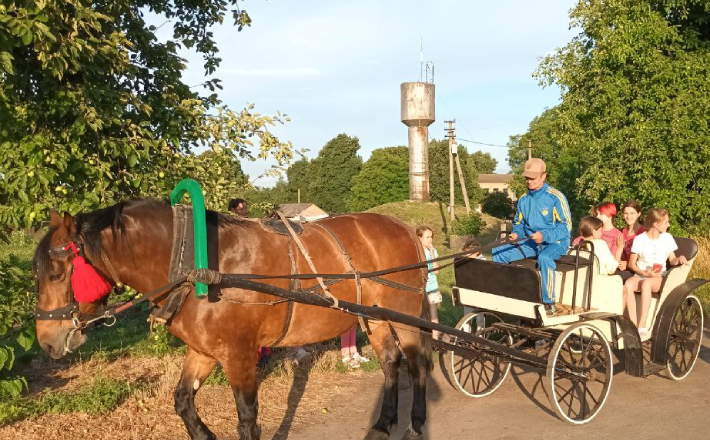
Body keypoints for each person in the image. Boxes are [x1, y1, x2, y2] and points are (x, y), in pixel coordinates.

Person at [491, 158, 572, 315]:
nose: (529, 181)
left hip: (556, 242)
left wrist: (545, 235)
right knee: (499, 252)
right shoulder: (523, 199)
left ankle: (549, 303)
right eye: (527, 178)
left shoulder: (556, 197)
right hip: (531, 243)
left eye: (533, 178)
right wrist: (516, 233)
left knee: (545, 258)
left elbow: (566, 226)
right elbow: (519, 223)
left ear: (543, 176)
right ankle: (506, 294)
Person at [623, 208, 687, 341]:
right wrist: (644, 272)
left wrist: (679, 258)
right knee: (628, 284)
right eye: (666, 222)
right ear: (656, 224)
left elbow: (672, 259)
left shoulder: (667, 238)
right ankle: (633, 324)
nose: (668, 225)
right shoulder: (639, 239)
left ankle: (642, 324)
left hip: (658, 276)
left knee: (646, 283)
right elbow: (632, 264)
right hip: (642, 274)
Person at [417, 225, 442, 339]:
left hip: (432, 287)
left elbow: (436, 271)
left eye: (431, 237)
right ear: (420, 238)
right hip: (420, 288)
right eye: (427, 237)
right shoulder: (416, 252)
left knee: (433, 315)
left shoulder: (433, 251)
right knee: (420, 314)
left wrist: (432, 253)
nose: (430, 240)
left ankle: (435, 338)